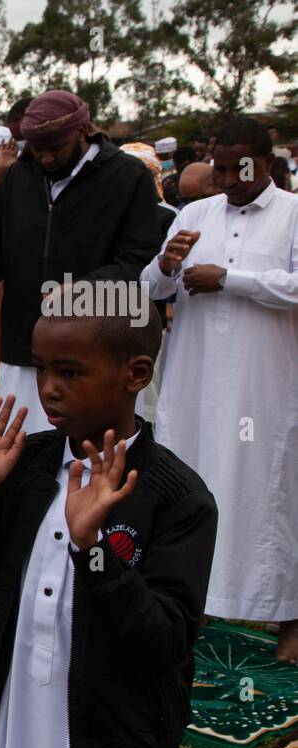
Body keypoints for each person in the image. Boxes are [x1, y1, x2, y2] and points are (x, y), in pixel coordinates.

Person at [0, 306, 217, 748]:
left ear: (135, 374)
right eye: (39, 369)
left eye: (70, 373)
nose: (47, 390)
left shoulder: (178, 499)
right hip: (20, 730)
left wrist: (95, 552)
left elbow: (163, 643)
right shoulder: (24, 466)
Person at [139, 117, 298, 663]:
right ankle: (196, 598)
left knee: (271, 493)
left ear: (266, 162)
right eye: (220, 167)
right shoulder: (194, 214)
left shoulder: (293, 215)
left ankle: (288, 614)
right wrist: (166, 265)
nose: (227, 178)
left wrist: (231, 279)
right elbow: (149, 287)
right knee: (193, 482)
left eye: (239, 167)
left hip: (265, 385)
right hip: (197, 378)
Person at [0, 90, 163, 434]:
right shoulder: (19, 176)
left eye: (55, 149)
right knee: (20, 451)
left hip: (91, 352)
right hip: (23, 347)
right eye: (37, 149)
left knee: (83, 454)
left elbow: (139, 258)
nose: (46, 158)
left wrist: (84, 290)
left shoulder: (127, 177)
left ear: (81, 131)